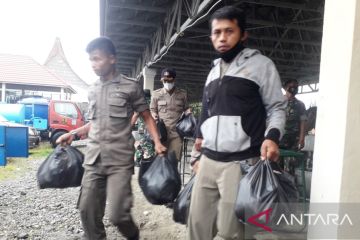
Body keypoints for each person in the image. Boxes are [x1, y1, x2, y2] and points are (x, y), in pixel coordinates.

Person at [187, 6, 286, 240]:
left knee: (232, 230)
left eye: (229, 31)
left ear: (243, 34)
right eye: (216, 32)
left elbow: (276, 107)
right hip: (209, 160)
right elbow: (206, 115)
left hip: (240, 163)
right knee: (197, 224)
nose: (222, 37)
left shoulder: (262, 65)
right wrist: (195, 154)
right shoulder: (213, 71)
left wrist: (272, 136)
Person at [56, 37, 166, 240]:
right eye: (91, 60)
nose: (93, 64)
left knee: (118, 215)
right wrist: (72, 134)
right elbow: (94, 123)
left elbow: (147, 117)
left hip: (119, 161)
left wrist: (158, 142)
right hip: (94, 159)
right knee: (86, 210)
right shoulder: (92, 89)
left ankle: (133, 236)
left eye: (97, 59)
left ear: (112, 59)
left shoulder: (130, 87)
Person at [150, 68, 190, 161]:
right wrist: (154, 115)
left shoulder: (182, 94)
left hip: (177, 133)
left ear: (174, 80)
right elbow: (152, 109)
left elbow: (186, 108)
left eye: (169, 80)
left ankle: (172, 175)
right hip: (161, 133)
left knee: (174, 160)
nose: (167, 82)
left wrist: (189, 113)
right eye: (164, 80)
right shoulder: (156, 94)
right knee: (160, 160)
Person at [279, 79, 308, 150]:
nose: (294, 88)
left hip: (294, 139)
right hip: (278, 138)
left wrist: (302, 139)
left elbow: (303, 122)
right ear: (286, 88)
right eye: (292, 86)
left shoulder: (300, 105)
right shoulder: (278, 102)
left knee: (292, 160)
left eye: (296, 87)